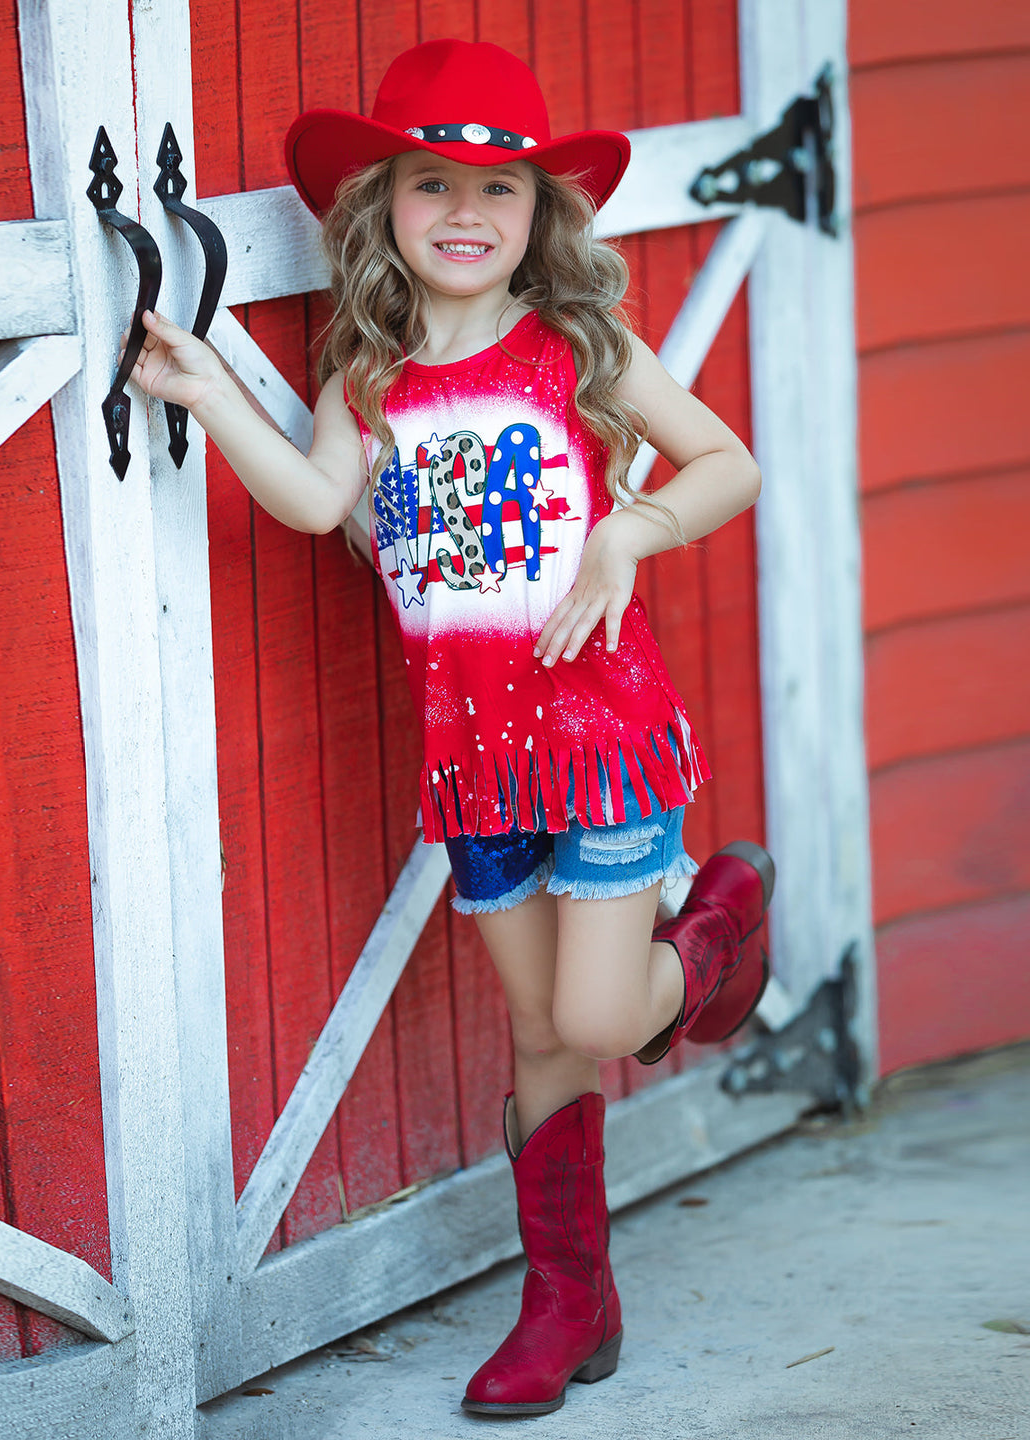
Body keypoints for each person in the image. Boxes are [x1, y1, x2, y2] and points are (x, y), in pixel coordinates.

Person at [128, 37, 775, 1418]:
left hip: (602, 742)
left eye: (501, 188)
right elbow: (314, 506)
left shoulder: (580, 353)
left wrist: (632, 532)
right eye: (432, 184)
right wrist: (204, 391)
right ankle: (567, 1303)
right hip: (476, 766)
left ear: (542, 216)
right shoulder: (370, 380)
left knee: (602, 1009)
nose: (467, 213)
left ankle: (713, 932)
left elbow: (730, 458)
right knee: (540, 1028)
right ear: (383, 207)